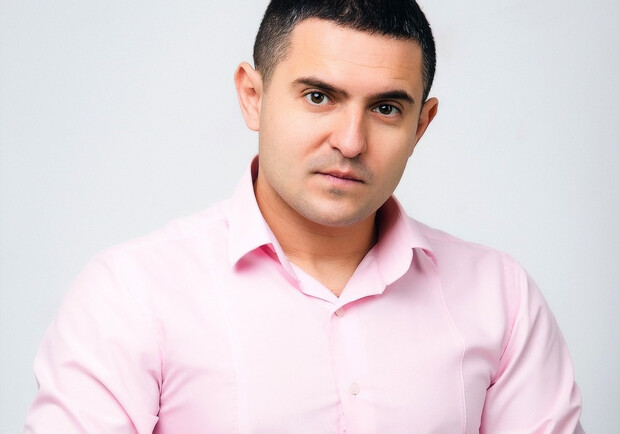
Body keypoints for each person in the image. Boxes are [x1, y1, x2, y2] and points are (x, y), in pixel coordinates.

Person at [25, 0, 584, 432]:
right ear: (252, 96)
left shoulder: (501, 297)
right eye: (319, 97)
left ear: (421, 125)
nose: (350, 141)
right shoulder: (131, 295)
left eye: (386, 108)